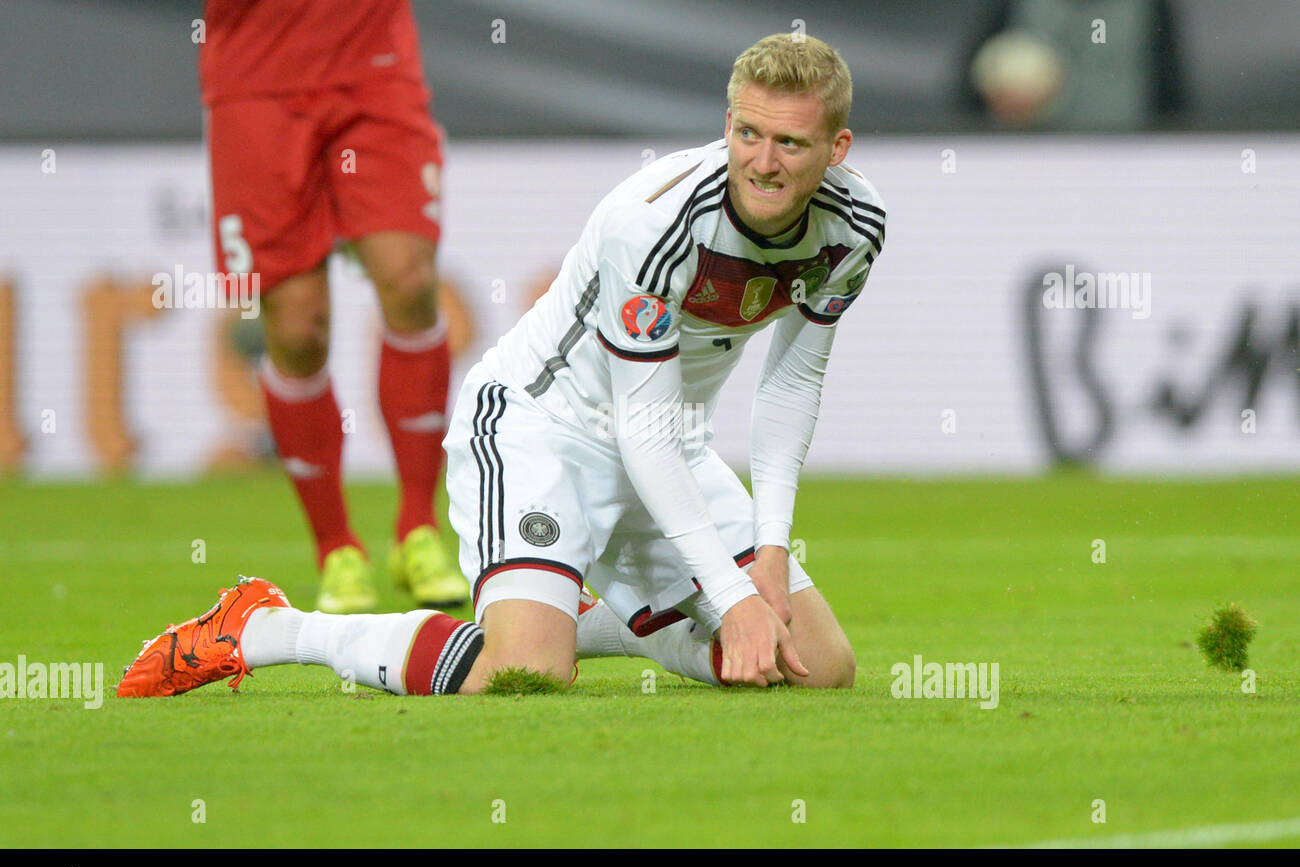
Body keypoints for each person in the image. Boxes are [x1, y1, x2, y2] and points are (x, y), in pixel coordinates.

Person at [119, 32, 885, 698]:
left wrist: (772, 557)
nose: (763, 162)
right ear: (727, 124)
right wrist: (730, 591)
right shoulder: (653, 223)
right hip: (540, 432)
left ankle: (584, 615)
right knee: (524, 672)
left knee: (819, 665)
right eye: (748, 134)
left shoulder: (856, 227)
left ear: (836, 149)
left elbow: (792, 381)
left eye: (790, 143)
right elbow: (635, 423)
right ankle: (271, 629)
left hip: (669, 446)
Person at [201, 0, 469, 613]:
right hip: (257, 79)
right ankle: (336, 550)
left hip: (373, 62)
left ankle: (417, 529)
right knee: (297, 326)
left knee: (408, 277)